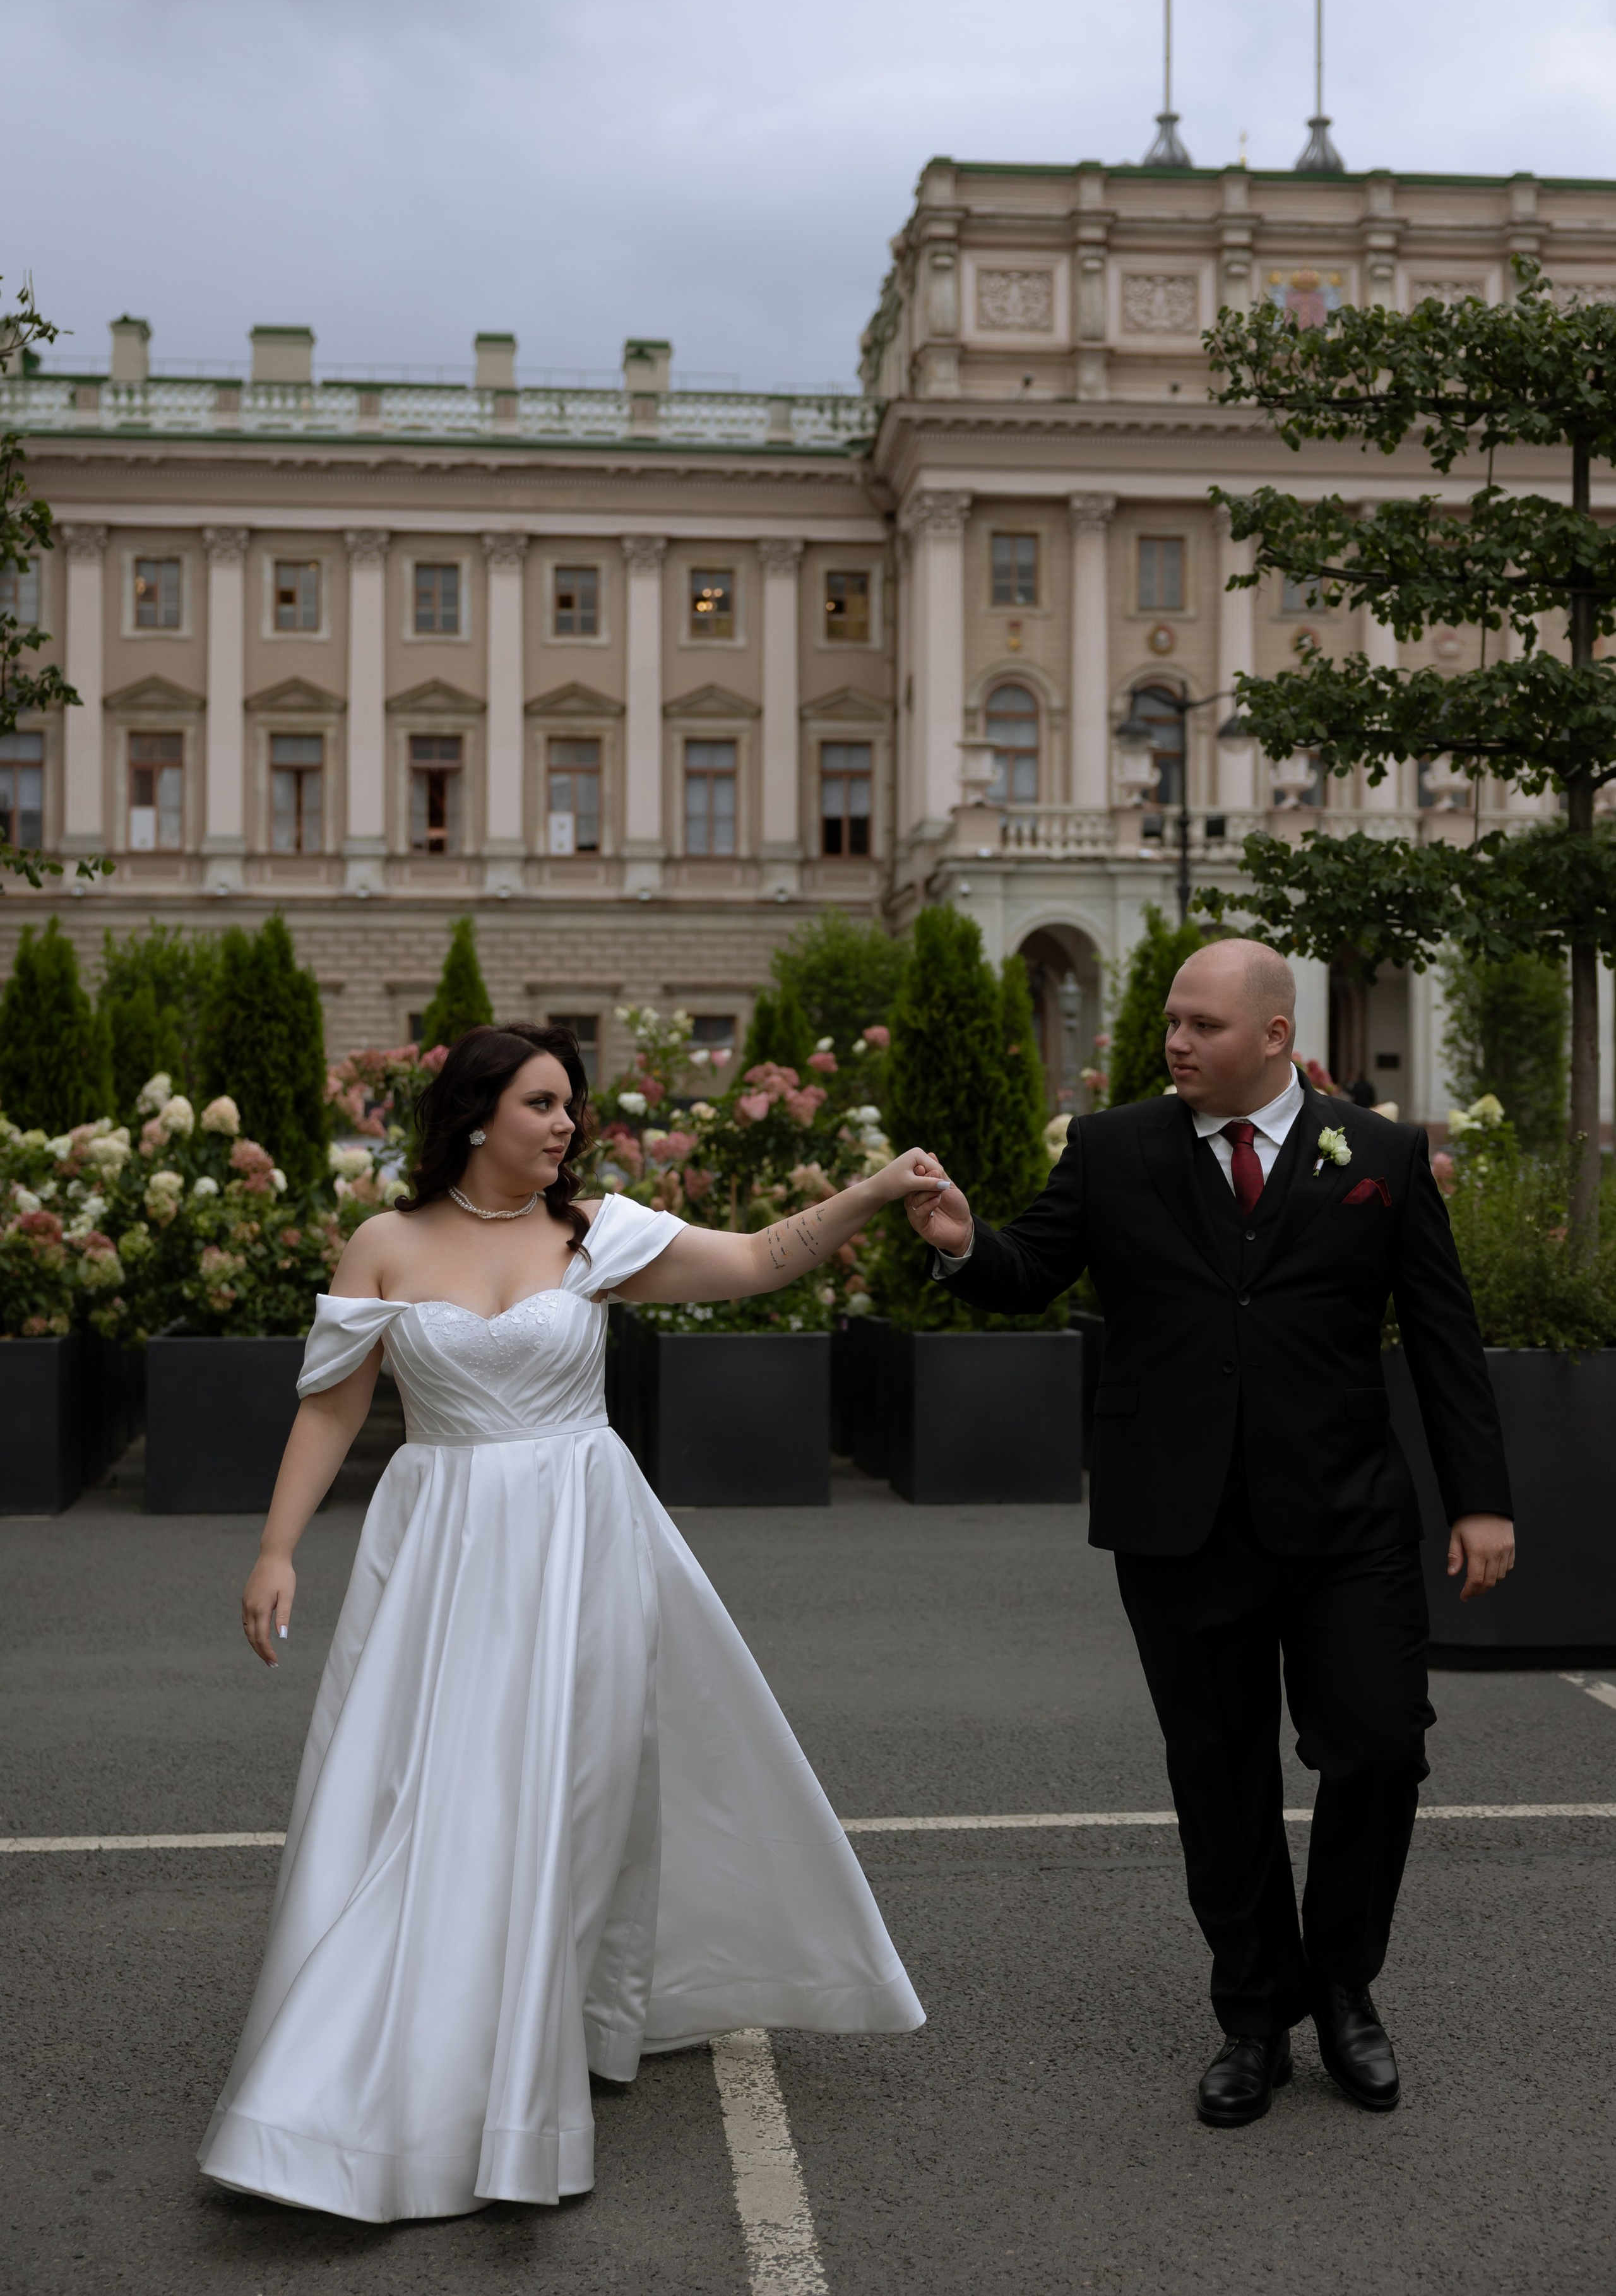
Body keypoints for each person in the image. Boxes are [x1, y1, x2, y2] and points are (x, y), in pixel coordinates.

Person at [199, 1023, 934, 2222]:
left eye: (570, 1105)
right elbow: (333, 1409)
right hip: (441, 1550)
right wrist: (278, 1548)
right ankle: (380, 2069)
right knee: (425, 1798)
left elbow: (755, 1260)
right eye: (543, 1102)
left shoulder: (596, 1236)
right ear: (477, 1112)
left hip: (585, 1546)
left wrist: (872, 1191)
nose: (565, 1124)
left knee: (567, 1796)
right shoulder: (384, 1242)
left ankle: (542, 2034)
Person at [906, 938, 1514, 2129]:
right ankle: (1253, 2016)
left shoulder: (1378, 1154)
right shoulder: (1113, 1147)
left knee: (1380, 1746)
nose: (1175, 1042)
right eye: (1172, 1022)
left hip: (1347, 1518)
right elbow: (1031, 1269)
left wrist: (1483, 1499)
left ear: (1276, 1038)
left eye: (1202, 1024)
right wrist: (964, 1242)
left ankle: (1342, 1983)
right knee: (1219, 1778)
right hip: (1178, 1525)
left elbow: (1444, 1335)